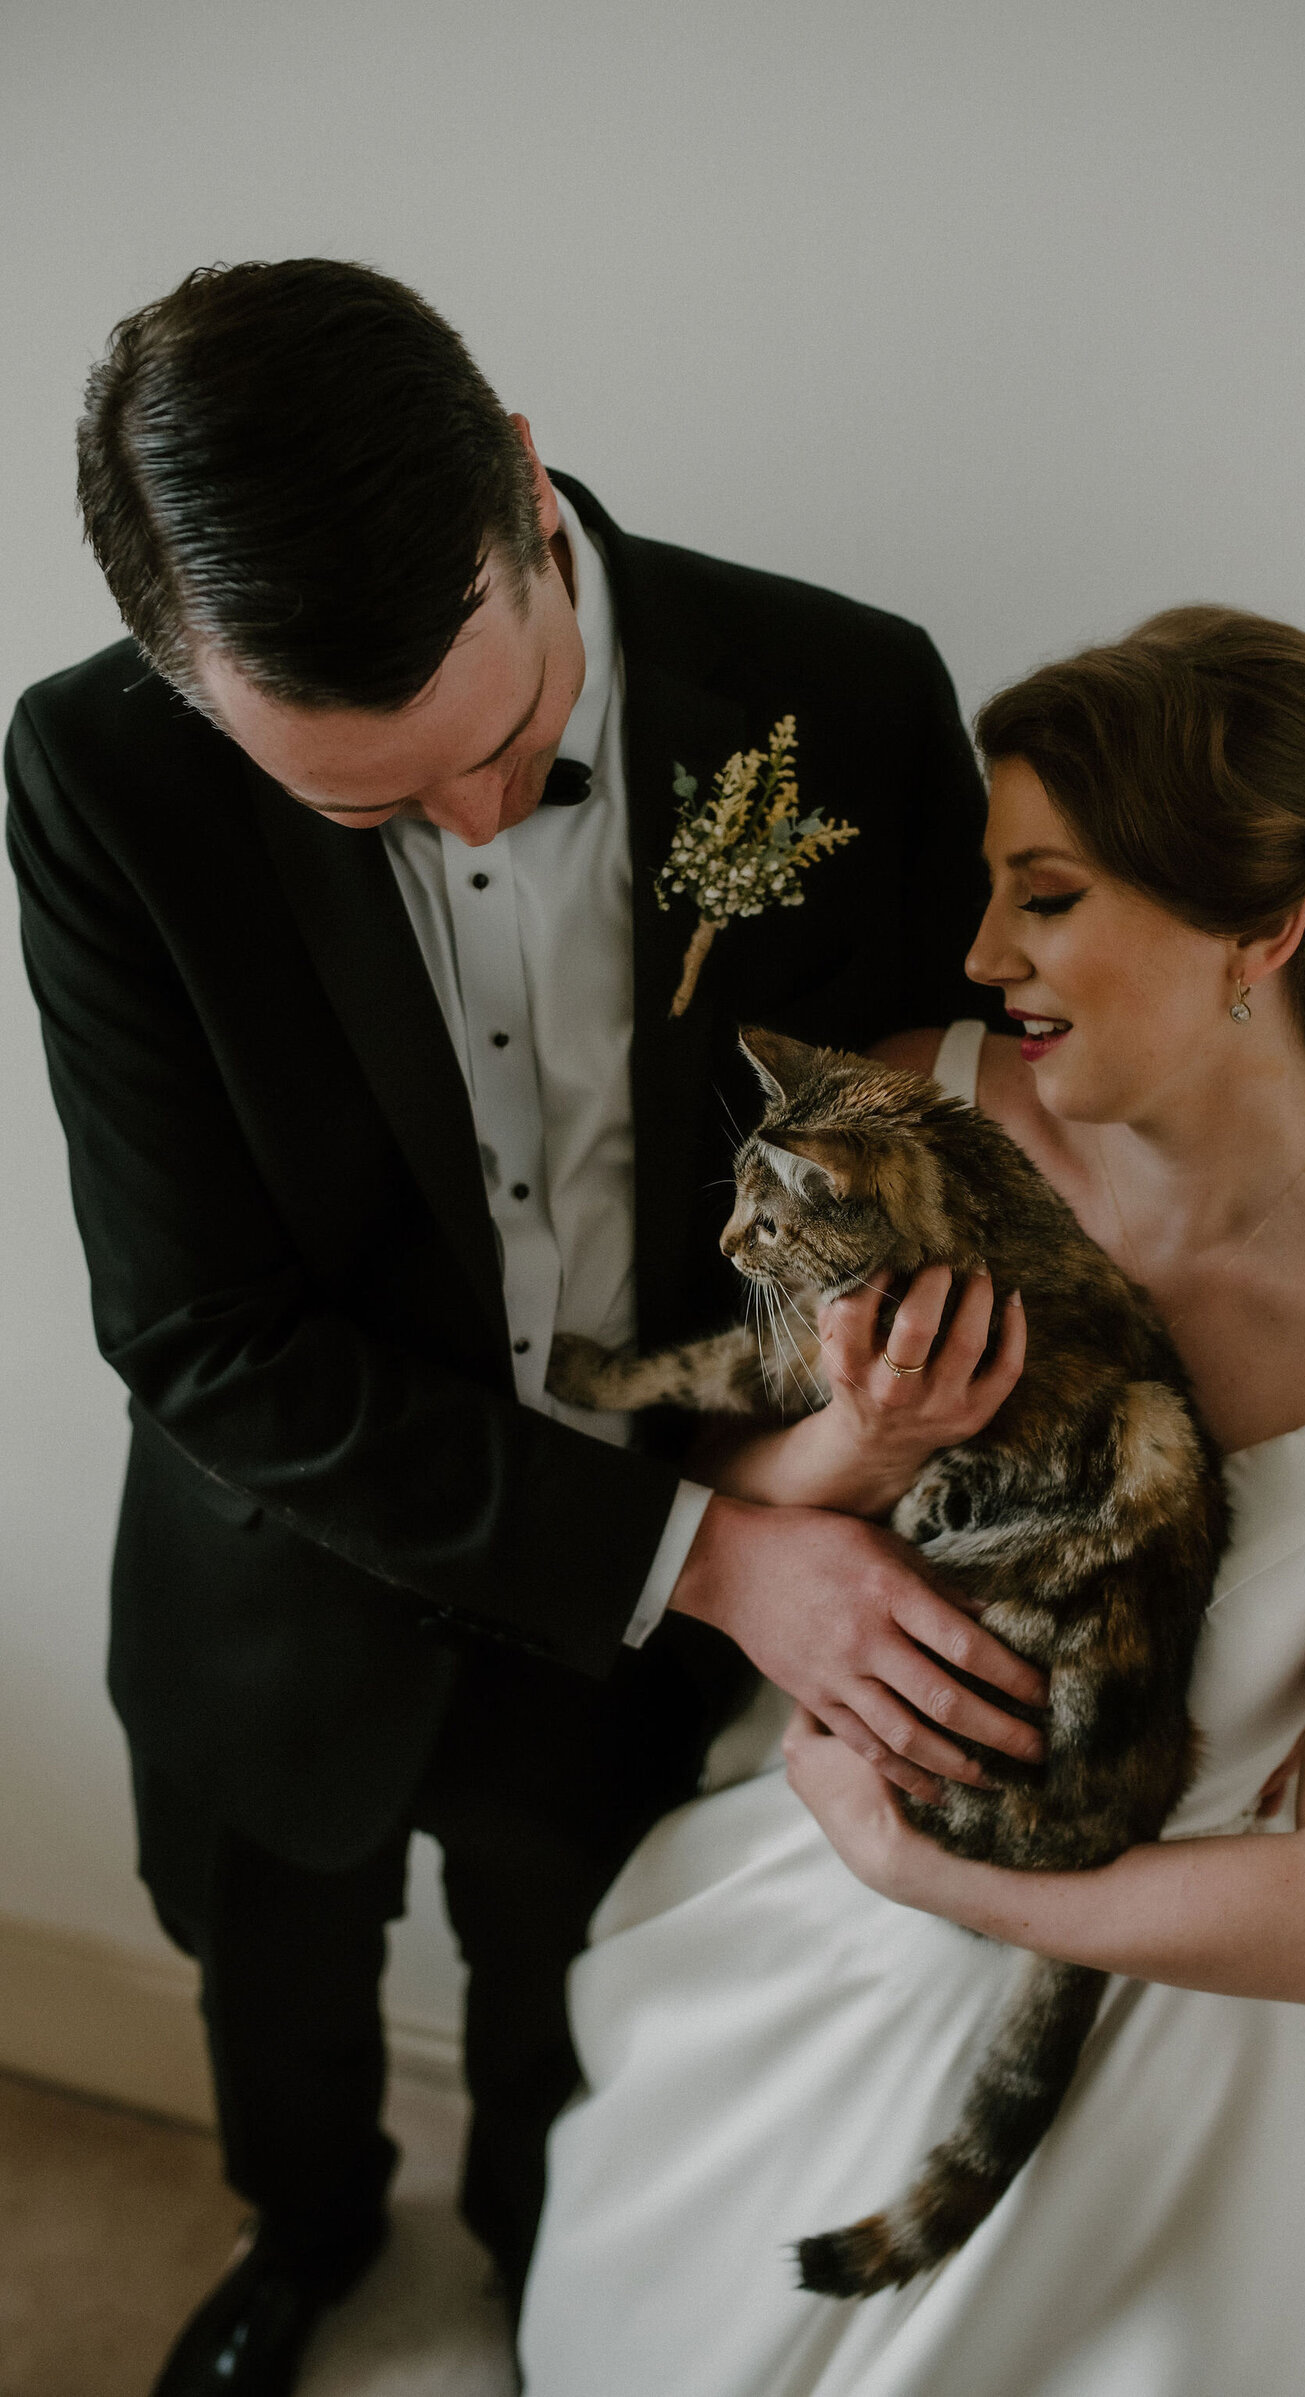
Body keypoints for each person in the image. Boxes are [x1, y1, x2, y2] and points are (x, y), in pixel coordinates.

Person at [3, 257, 1049, 2397]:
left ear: (519, 480)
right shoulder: (94, 769)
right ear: (183, 680)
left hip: (658, 1564)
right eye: (364, 807)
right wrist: (714, 1557)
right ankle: (299, 2237)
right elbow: (200, 1332)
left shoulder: (838, 693)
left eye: (500, 745)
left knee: (560, 2003)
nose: (475, 822)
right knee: (267, 1985)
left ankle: (532, 2281)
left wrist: (809, 1472)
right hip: (283, 1561)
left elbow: (922, 1145)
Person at [517, 608, 1305, 2396]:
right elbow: (726, 1492)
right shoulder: (918, 1102)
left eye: (1049, 894)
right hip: (820, 1863)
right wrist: (856, 1443)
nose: (981, 946)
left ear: (1262, 926)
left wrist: (927, 1874)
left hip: (1174, 1990)